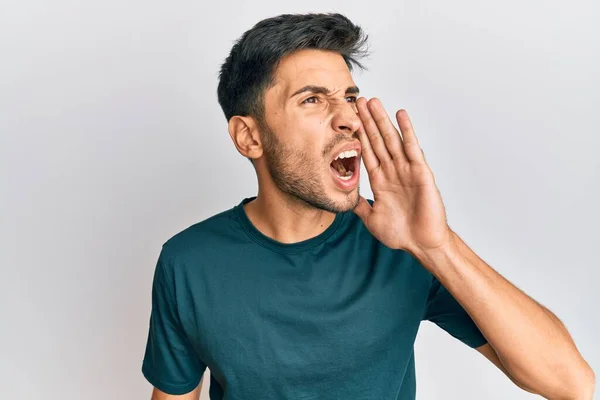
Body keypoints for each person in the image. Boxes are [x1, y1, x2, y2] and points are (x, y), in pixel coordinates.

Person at [141, 13, 595, 400]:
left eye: (350, 97)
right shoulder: (189, 261)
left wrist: (437, 246)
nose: (349, 118)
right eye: (313, 99)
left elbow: (570, 383)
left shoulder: (402, 248)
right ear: (250, 137)